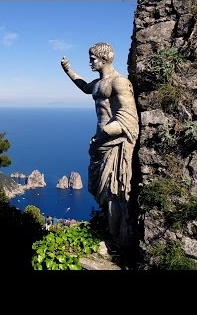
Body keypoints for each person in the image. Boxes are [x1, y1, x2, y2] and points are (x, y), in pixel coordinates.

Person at [60, 42, 139, 248]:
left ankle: (117, 241)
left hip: (113, 143)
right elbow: (85, 87)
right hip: (100, 143)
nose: (90, 62)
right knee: (101, 190)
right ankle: (109, 232)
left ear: (104, 59)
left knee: (114, 191)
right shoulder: (98, 83)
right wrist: (68, 70)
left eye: (93, 59)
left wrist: (103, 133)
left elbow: (127, 116)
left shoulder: (119, 82)